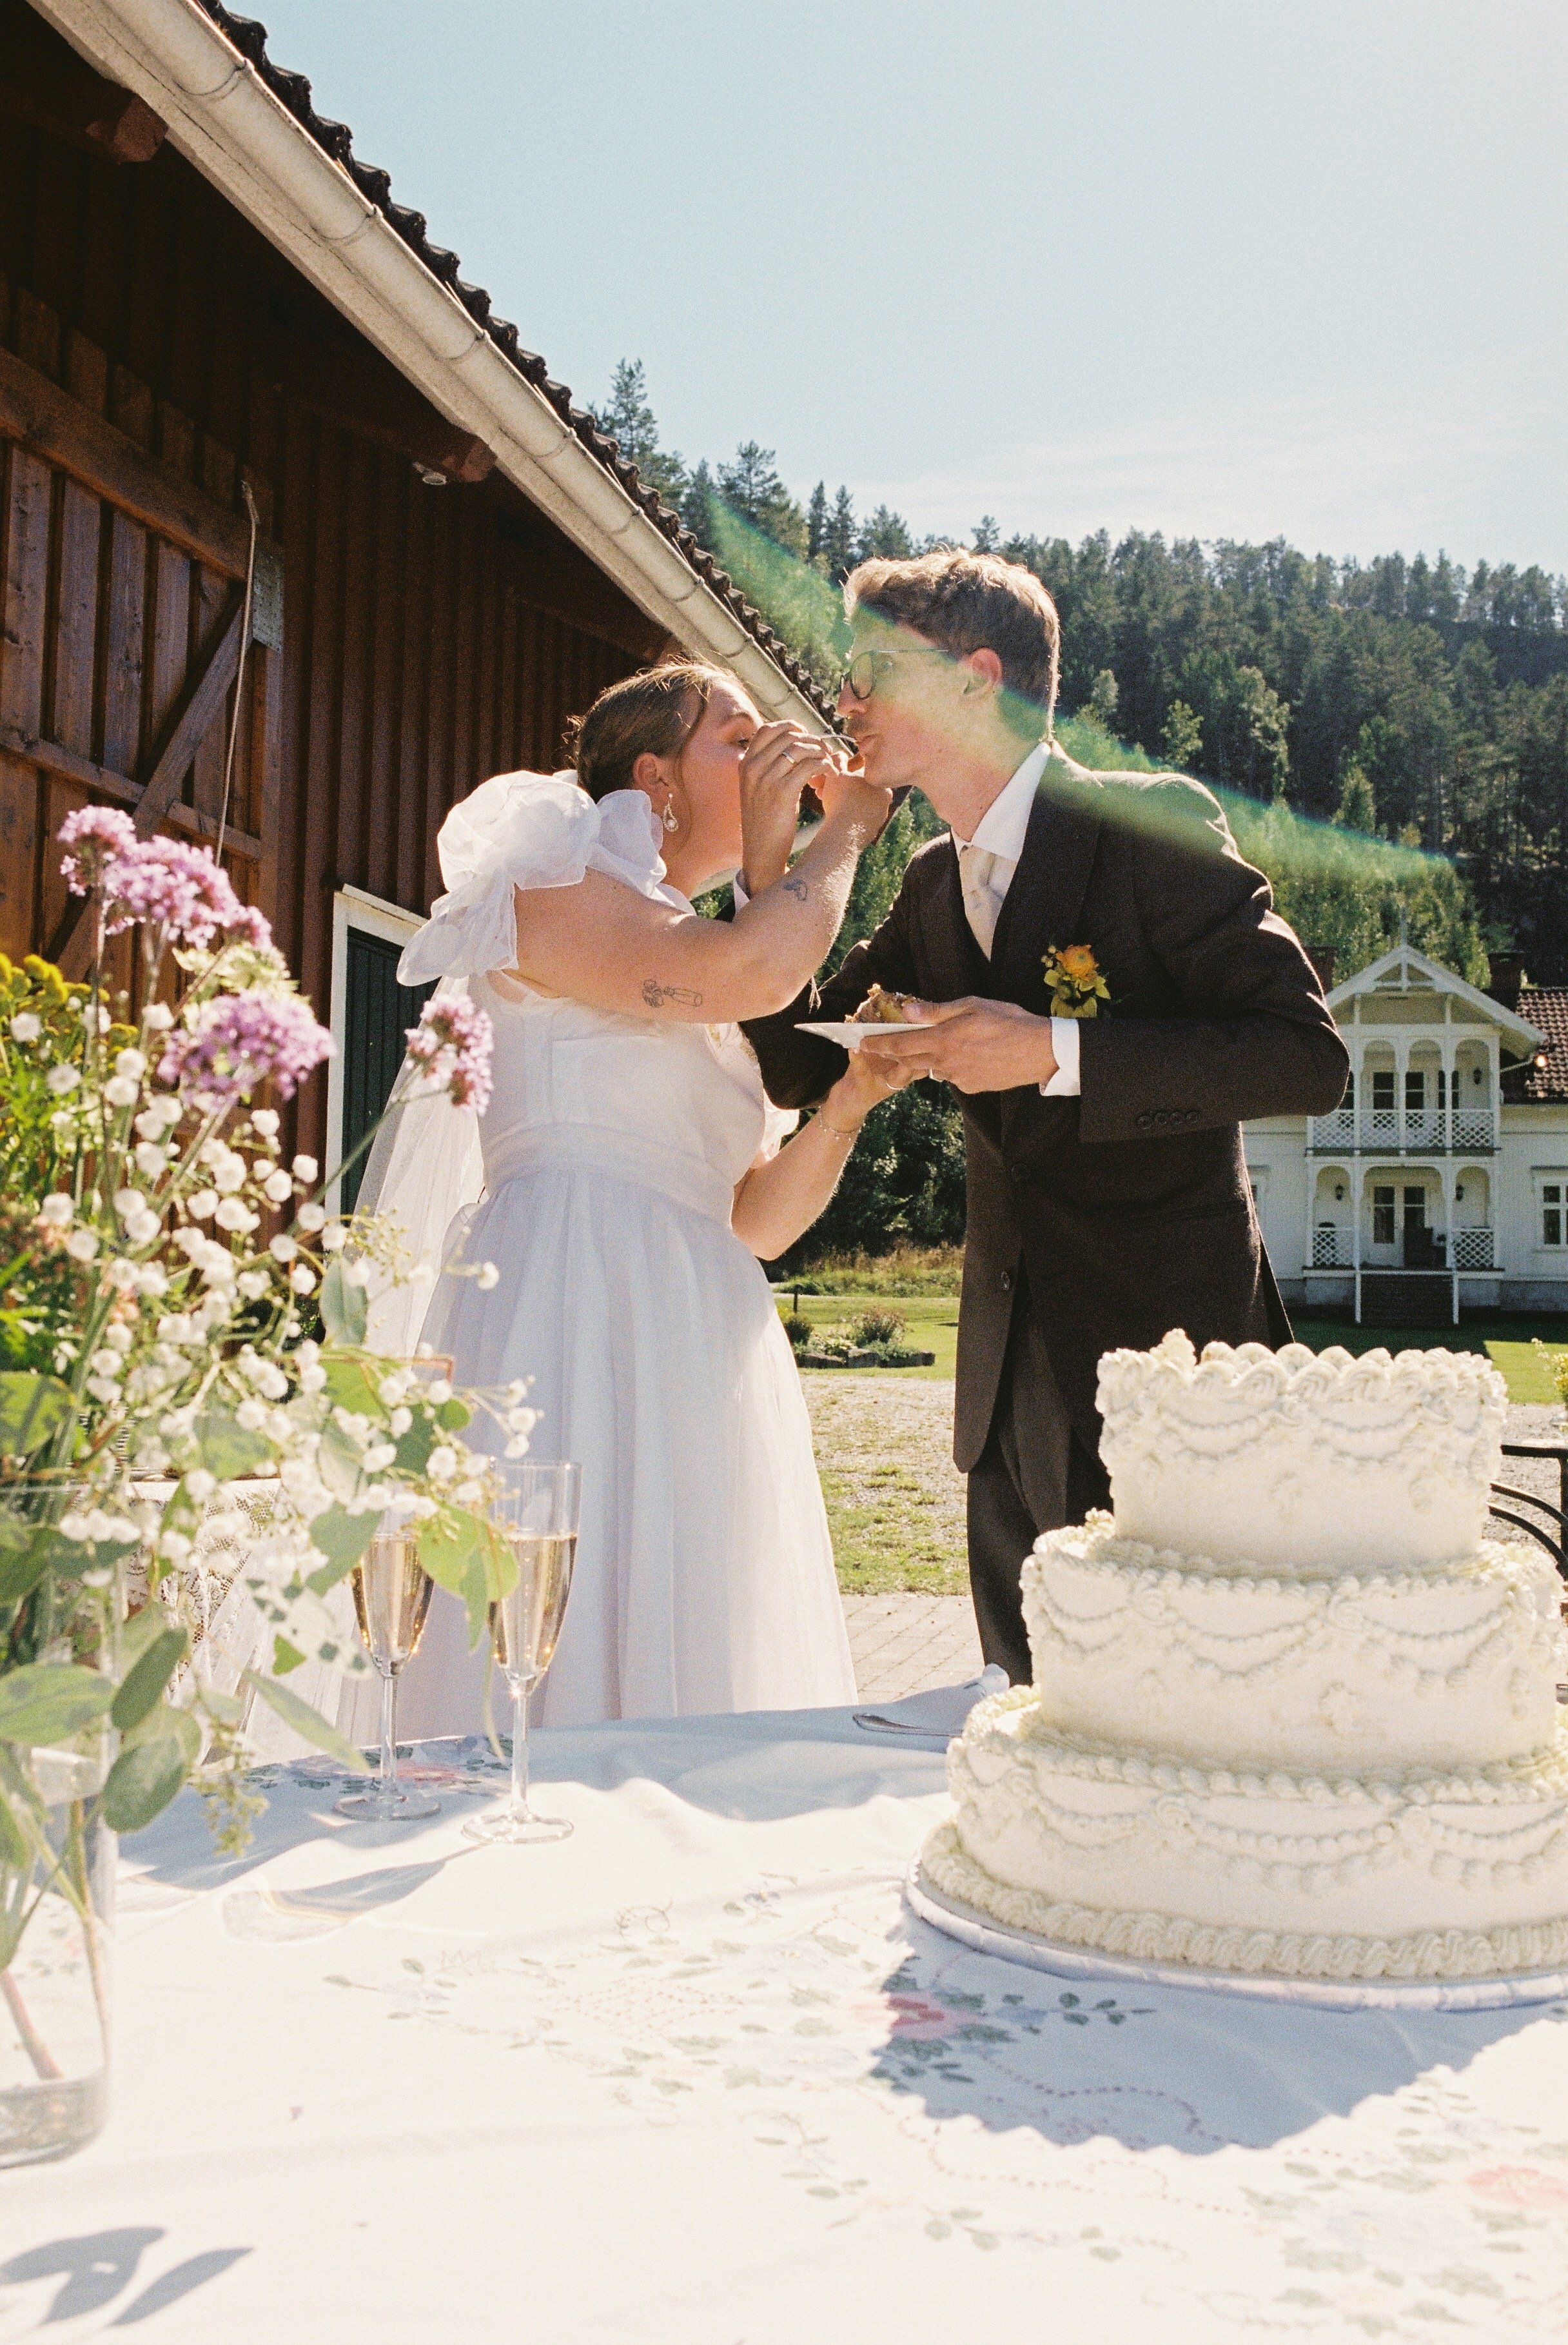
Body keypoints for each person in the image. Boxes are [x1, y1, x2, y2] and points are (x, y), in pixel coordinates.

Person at [741, 551, 1350, 1685]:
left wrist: (1052, 1049)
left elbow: (1306, 1057)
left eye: (873, 668)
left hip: (1174, 1382)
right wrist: (774, 860)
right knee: (1024, 1733)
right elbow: (786, 1062)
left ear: (978, 679)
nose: (845, 698)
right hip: (1005, 1396)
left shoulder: (1144, 825)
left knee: (1180, 1728)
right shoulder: (929, 883)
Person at [371, 661, 899, 1732]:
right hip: (569, 1308)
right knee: (549, 1645)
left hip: (700, 1339)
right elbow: (758, 970)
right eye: (737, 736)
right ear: (653, 778)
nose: (769, 755)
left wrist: (855, 1097)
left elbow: (754, 1220)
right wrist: (848, 828)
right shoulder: (550, 882)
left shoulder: (695, 951)